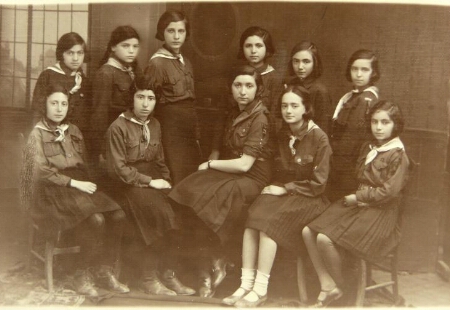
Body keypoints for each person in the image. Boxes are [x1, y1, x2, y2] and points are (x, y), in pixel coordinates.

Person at [222, 85, 332, 307]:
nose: (288, 110)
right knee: (254, 216)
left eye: (294, 105)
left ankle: (260, 289)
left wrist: (286, 188)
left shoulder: (319, 138)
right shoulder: (283, 134)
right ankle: (245, 285)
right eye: (284, 106)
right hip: (286, 192)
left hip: (310, 198)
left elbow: (319, 184)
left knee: (269, 224)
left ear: (306, 109)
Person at [168, 66, 273, 297]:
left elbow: (245, 164)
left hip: (252, 176)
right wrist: (209, 164)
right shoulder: (233, 111)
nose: (243, 91)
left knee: (213, 197)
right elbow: (219, 146)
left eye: (249, 86)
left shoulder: (260, 118)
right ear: (231, 88)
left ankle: (217, 260)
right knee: (189, 189)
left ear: (258, 89)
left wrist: (210, 165)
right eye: (238, 85)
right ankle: (209, 263)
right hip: (232, 171)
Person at [21, 84, 129, 297]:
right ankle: (79, 273)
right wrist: (73, 184)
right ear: (44, 105)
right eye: (54, 103)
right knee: (96, 220)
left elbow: (85, 164)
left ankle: (103, 269)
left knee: (118, 215)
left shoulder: (74, 131)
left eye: (63, 103)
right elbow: (40, 172)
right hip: (51, 191)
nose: (59, 109)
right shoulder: (37, 134)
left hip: (78, 185)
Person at [303, 100, 411, 307]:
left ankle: (344, 288)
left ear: (395, 125)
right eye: (374, 122)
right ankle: (329, 284)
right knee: (308, 231)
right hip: (359, 204)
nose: (378, 127)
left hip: (381, 213)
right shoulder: (367, 147)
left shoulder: (398, 154)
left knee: (325, 239)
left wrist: (360, 197)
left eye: (385, 122)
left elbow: (389, 192)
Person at [104, 76, 195, 296]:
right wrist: (150, 182)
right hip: (124, 186)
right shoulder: (118, 127)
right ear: (131, 99)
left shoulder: (155, 125)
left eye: (151, 98)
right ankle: (148, 277)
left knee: (179, 207)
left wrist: (168, 184)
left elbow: (160, 160)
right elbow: (118, 170)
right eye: (140, 97)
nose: (145, 104)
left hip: (150, 183)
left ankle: (168, 273)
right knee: (158, 214)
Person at [144, 10, 201, 184]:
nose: (176, 36)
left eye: (181, 31)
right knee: (175, 172)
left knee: (191, 172)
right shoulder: (157, 63)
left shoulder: (186, 61)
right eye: (171, 31)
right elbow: (147, 101)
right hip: (170, 127)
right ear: (162, 32)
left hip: (188, 126)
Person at [329, 49, 380, 201]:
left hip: (349, 162)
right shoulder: (351, 97)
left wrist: (335, 161)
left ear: (373, 73)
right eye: (354, 69)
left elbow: (352, 137)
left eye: (364, 70)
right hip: (342, 159)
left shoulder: (366, 99)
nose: (358, 74)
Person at [90, 25, 142, 165]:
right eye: (125, 46)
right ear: (113, 47)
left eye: (135, 46)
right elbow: (99, 116)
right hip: (113, 139)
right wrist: (101, 149)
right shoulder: (106, 74)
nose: (131, 51)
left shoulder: (133, 71)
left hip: (131, 137)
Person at [32, 32, 90, 132]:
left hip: (76, 138)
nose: (75, 58)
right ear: (61, 53)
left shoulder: (83, 80)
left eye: (80, 53)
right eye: (70, 53)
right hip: (50, 135)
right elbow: (37, 112)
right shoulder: (48, 76)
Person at [284, 40, 332, 134]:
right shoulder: (290, 85)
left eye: (306, 62)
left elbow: (323, 128)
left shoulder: (320, 91)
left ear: (315, 63)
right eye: (296, 61)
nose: (300, 67)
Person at [237, 26, 281, 114]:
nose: (253, 51)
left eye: (259, 46)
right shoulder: (237, 74)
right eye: (248, 46)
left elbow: (275, 113)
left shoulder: (274, 78)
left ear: (267, 49)